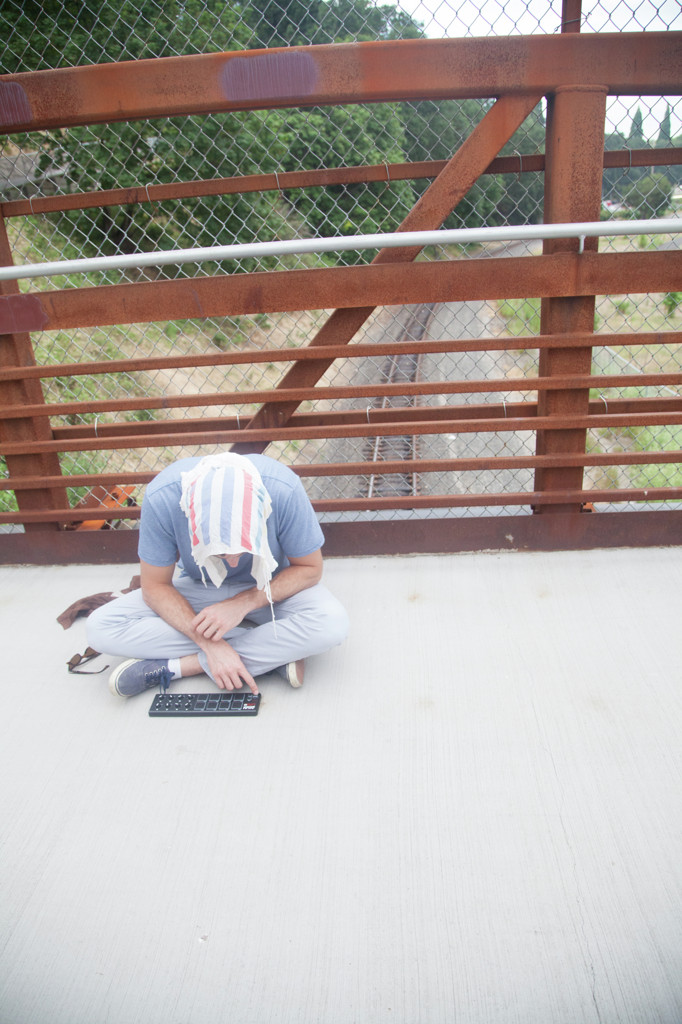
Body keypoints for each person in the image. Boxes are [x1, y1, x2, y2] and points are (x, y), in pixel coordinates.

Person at [86, 452, 349, 697]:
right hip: (199, 586)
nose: (233, 563)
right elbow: (155, 587)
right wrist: (211, 645)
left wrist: (241, 604)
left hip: (269, 587)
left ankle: (179, 667)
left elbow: (310, 569)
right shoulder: (162, 497)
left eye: (244, 548)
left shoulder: (283, 488)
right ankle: (271, 654)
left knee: (332, 623)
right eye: (220, 553)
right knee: (100, 627)